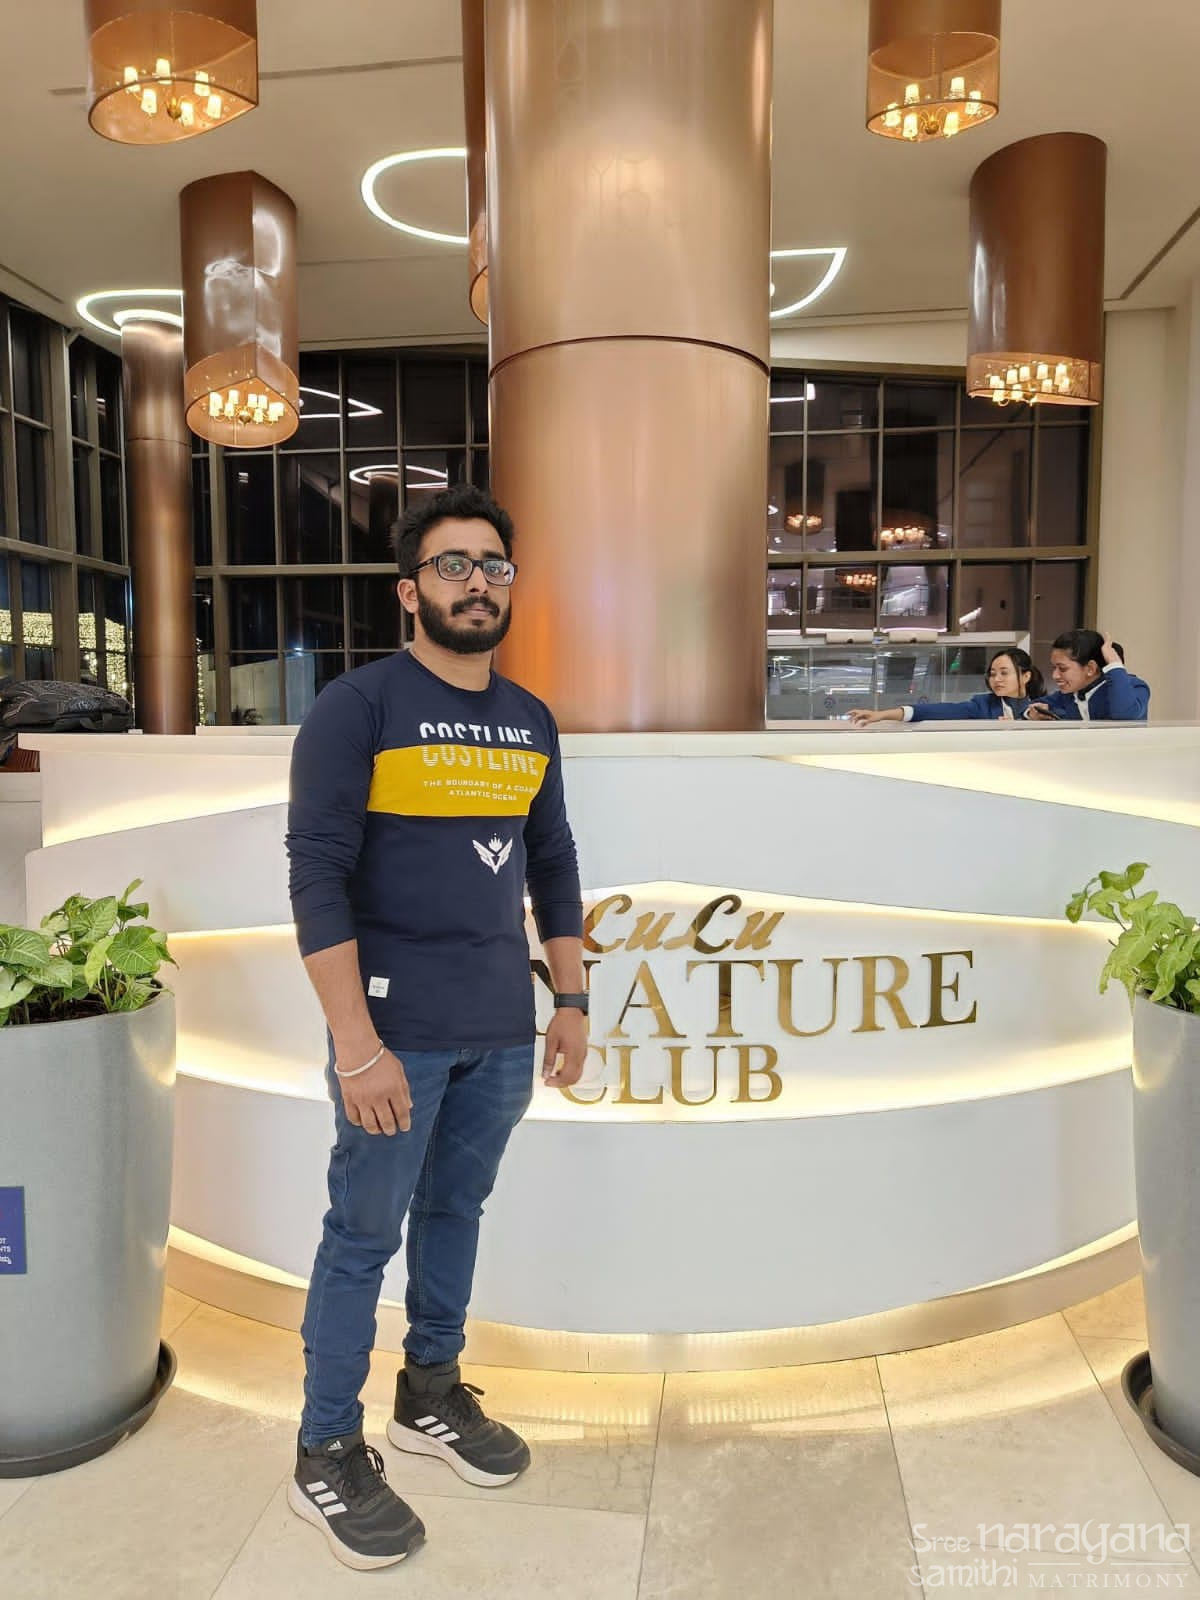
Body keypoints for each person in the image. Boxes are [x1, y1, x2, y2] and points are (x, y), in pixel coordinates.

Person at [285, 483, 588, 1571]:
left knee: (457, 1210)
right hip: (393, 1033)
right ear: (410, 591)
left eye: (493, 564)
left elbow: (552, 858)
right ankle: (325, 1446)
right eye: (453, 565)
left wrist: (570, 999)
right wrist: (355, 1046)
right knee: (362, 1234)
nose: (477, 582)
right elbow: (316, 878)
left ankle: (429, 1393)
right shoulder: (357, 707)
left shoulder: (531, 717)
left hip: (500, 1025)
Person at [849, 647, 1043, 726]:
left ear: (1026, 676)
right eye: (992, 674)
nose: (997, 679)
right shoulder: (982, 705)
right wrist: (882, 715)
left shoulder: (1044, 707)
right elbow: (934, 710)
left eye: (1004, 673)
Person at [1025, 629, 1150, 721]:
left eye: (1062, 669)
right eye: (1054, 668)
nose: (1055, 675)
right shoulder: (1067, 695)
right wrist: (1031, 713)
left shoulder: (1134, 686)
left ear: (1090, 668)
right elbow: (1027, 708)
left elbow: (1125, 714)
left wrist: (1114, 665)